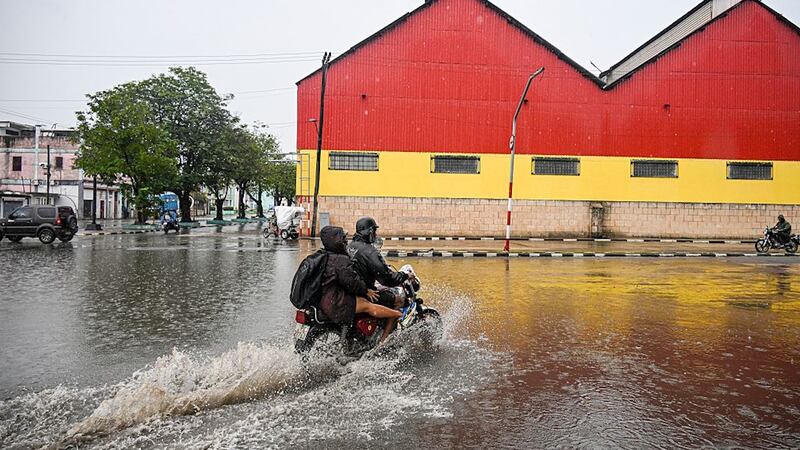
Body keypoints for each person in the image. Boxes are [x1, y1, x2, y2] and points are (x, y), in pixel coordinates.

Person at [318, 226, 401, 328]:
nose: (345, 241)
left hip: (323, 298)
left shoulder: (322, 256)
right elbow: (351, 281)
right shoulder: (340, 260)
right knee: (369, 305)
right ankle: (385, 338)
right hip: (335, 301)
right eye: (343, 238)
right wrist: (366, 291)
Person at [348, 217, 412, 340]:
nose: (376, 234)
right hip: (363, 293)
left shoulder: (350, 246)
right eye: (374, 231)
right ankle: (384, 340)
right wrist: (403, 275)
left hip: (352, 290)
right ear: (370, 231)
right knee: (397, 299)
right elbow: (387, 279)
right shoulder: (370, 251)